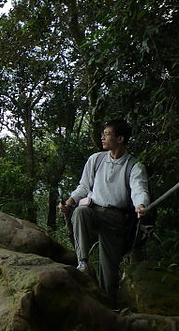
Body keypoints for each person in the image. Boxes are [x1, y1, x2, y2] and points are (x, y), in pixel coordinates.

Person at [59, 119, 150, 306]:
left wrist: (141, 205)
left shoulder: (134, 166)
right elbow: (83, 186)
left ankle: (109, 306)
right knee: (80, 212)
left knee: (109, 274)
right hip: (93, 210)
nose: (103, 137)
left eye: (107, 134)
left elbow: (139, 189)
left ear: (120, 138)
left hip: (116, 218)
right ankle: (83, 262)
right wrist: (69, 202)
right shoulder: (96, 159)